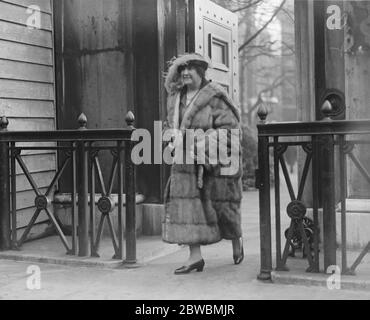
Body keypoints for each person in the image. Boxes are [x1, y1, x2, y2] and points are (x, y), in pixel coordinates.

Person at [162, 53, 244, 274]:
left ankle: (235, 238)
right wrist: (170, 138)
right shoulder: (175, 97)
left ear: (201, 72)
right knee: (188, 208)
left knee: (222, 208)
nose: (185, 73)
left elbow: (230, 130)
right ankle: (195, 257)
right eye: (182, 69)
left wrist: (197, 144)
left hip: (213, 165)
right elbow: (169, 126)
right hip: (184, 164)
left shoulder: (216, 97)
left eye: (190, 69)